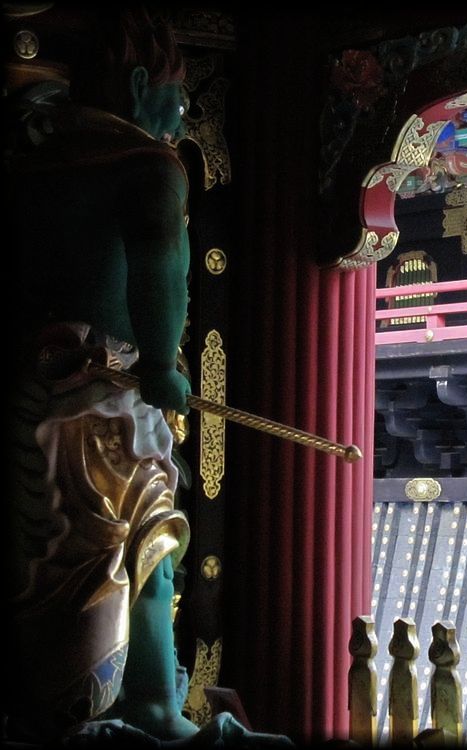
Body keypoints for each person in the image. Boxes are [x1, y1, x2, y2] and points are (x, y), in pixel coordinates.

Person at [7, 9, 197, 740]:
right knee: (143, 540)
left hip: (29, 393)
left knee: (44, 553)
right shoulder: (148, 166)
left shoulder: (27, 170)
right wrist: (161, 366)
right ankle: (146, 700)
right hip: (105, 395)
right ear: (141, 86)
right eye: (179, 99)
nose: (181, 118)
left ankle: (51, 702)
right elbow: (160, 269)